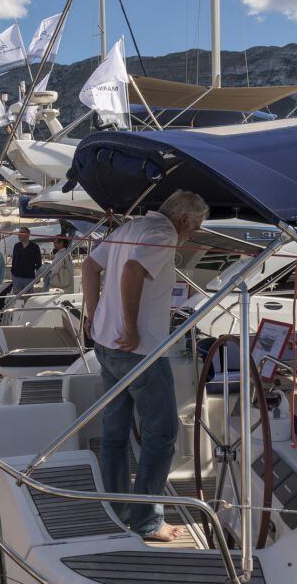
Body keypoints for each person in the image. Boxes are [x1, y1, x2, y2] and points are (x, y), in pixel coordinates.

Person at [81, 189, 208, 542]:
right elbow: (134, 270)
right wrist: (132, 328)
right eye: (195, 227)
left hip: (105, 347)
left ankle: (117, 508)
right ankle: (148, 522)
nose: (192, 235)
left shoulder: (131, 226)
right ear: (184, 219)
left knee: (116, 430)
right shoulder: (163, 233)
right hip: (140, 353)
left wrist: (94, 318)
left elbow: (90, 267)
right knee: (162, 434)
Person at [10, 226, 42, 294]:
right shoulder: (16, 246)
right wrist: (12, 274)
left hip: (29, 278)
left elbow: (39, 263)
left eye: (21, 233)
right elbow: (14, 260)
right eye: (19, 233)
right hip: (16, 277)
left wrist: (38, 276)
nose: (18, 234)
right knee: (16, 300)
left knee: (27, 298)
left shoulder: (35, 247)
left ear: (27, 234)